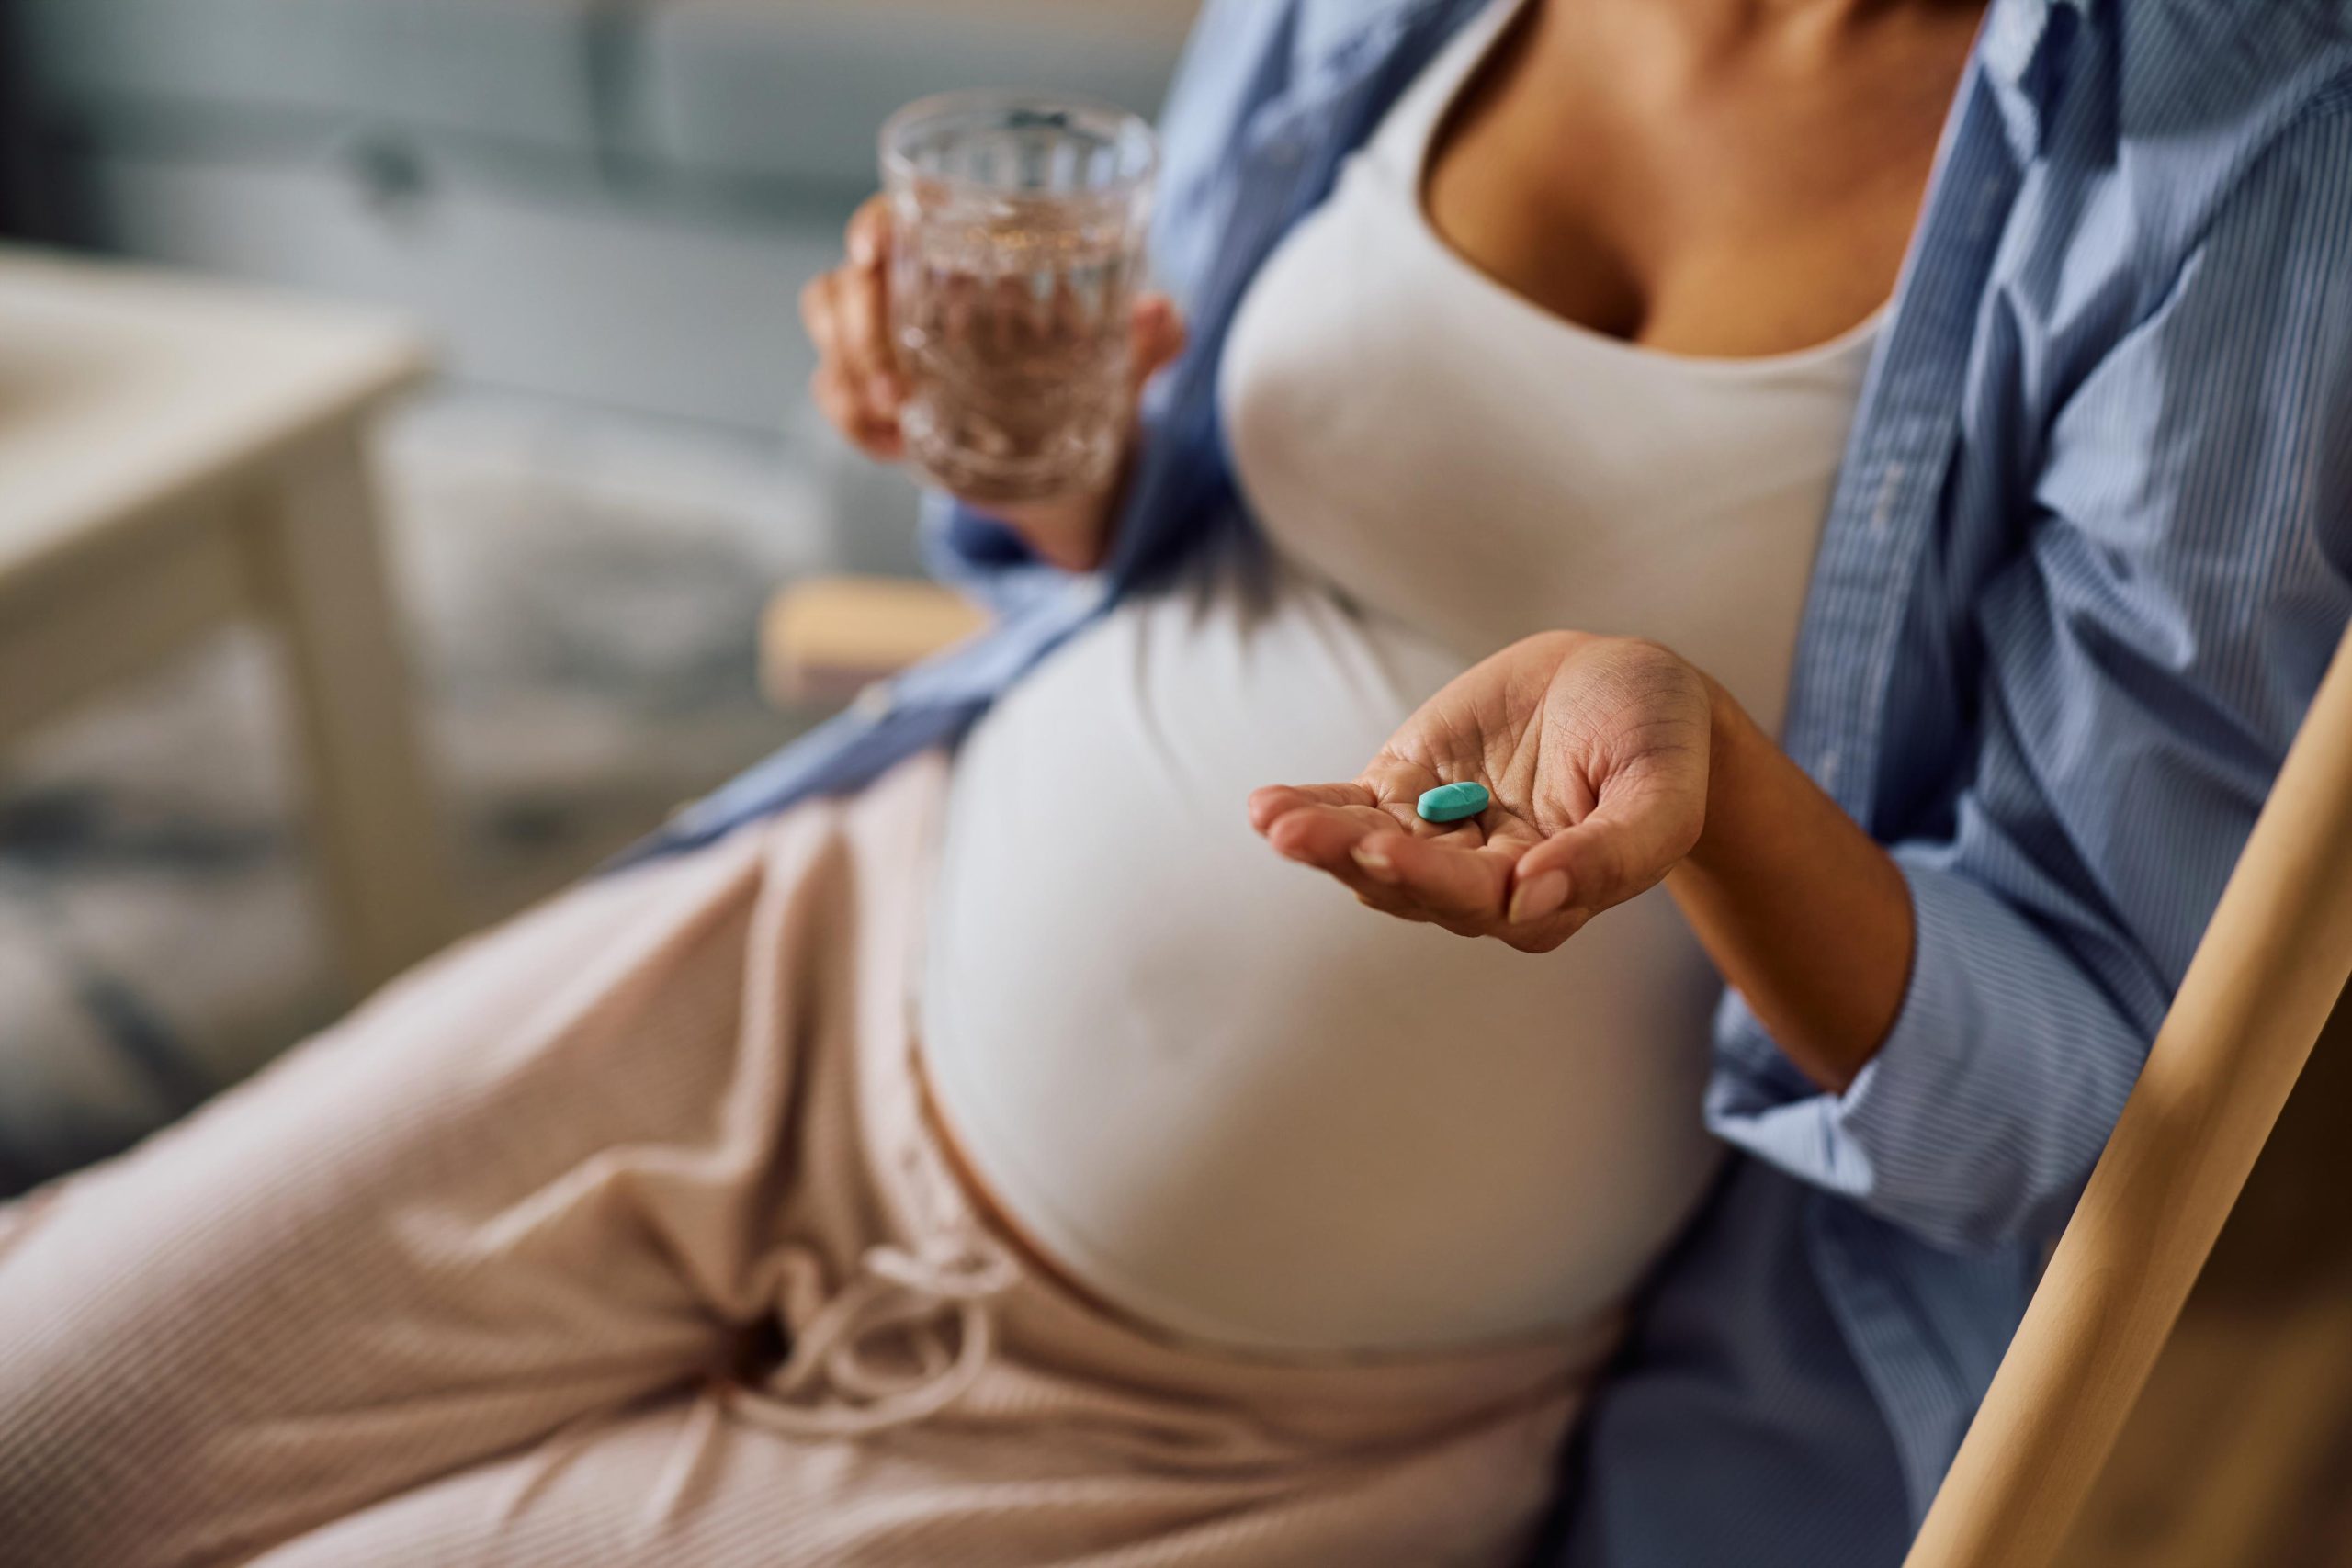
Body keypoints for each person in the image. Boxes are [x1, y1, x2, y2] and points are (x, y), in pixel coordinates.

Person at [4, 0, 2348, 1563]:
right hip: (805, 967)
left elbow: (2082, 1086)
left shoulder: (2240, 164)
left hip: (1242, 1424)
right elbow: (1172, 512)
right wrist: (1034, 453)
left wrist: (1716, 785)